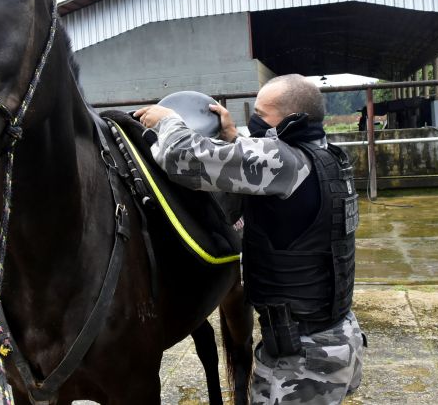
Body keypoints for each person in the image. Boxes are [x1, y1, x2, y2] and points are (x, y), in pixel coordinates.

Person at [134, 74, 364, 405]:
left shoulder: (283, 162)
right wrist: (234, 136)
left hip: (302, 360)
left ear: (290, 120)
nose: (253, 119)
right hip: (340, 337)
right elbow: (269, 161)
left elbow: (182, 157)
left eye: (261, 113)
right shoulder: (329, 156)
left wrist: (168, 120)